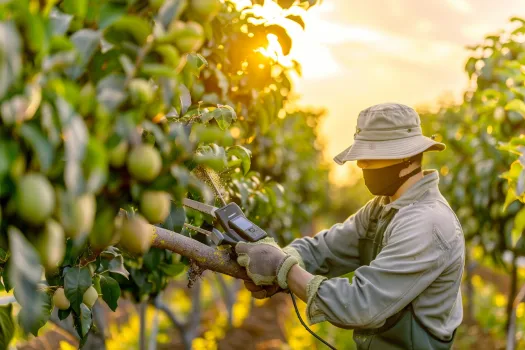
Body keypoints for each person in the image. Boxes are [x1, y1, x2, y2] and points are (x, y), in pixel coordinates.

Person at [235, 103, 465, 349]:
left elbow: (361, 304)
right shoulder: (382, 208)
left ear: (406, 157)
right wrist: (281, 259)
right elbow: (325, 249)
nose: (361, 166)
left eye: (370, 158)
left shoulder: (428, 224)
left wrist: (285, 269)